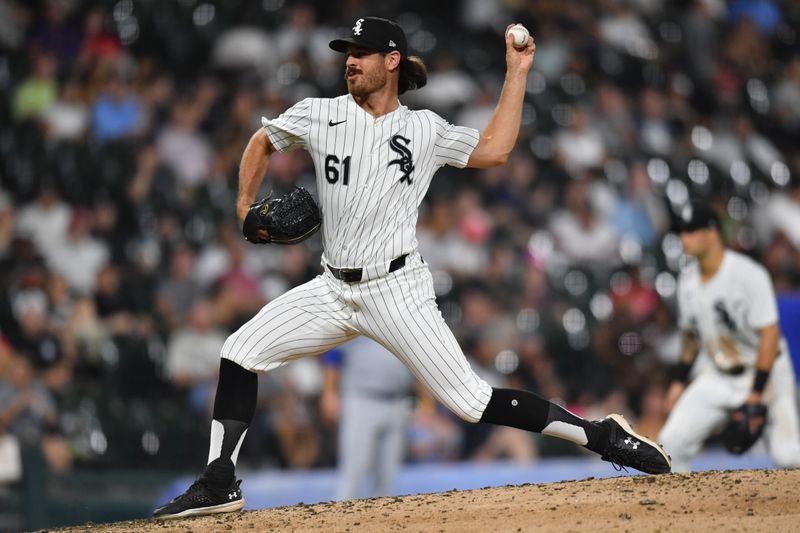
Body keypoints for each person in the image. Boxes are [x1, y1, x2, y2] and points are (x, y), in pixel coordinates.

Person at [153, 16, 670, 519]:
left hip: (396, 288)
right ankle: (219, 481)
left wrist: (516, 73)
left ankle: (601, 434)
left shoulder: (423, 129)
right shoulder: (318, 112)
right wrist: (245, 209)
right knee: (239, 351)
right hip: (332, 288)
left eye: (360, 54)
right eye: (346, 54)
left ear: (392, 61)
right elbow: (263, 140)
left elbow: (495, 150)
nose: (349, 63)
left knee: (470, 402)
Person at [658, 202, 800, 471]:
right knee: (670, 444)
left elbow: (770, 335)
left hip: (765, 376)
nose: (683, 239)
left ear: (712, 233)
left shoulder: (748, 275)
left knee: (789, 458)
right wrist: (678, 381)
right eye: (682, 232)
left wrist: (756, 393)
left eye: (691, 231)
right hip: (718, 375)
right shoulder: (687, 281)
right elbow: (691, 337)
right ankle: (680, 513)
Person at [320, 336, 424, 500]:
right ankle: (340, 521)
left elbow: (418, 361)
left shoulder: (402, 321)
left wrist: (425, 400)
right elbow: (333, 356)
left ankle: (383, 524)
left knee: (388, 474)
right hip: (361, 400)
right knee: (355, 470)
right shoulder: (357, 316)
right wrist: (329, 392)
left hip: (397, 401)